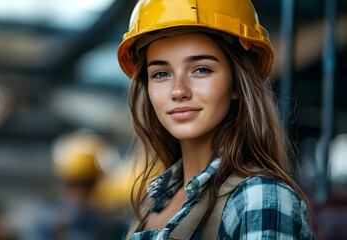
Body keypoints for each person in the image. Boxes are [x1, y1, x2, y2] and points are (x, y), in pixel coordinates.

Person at [117, 0, 317, 239]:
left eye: (201, 69)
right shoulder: (152, 203)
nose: (178, 90)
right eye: (161, 73)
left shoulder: (258, 197)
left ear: (237, 83)